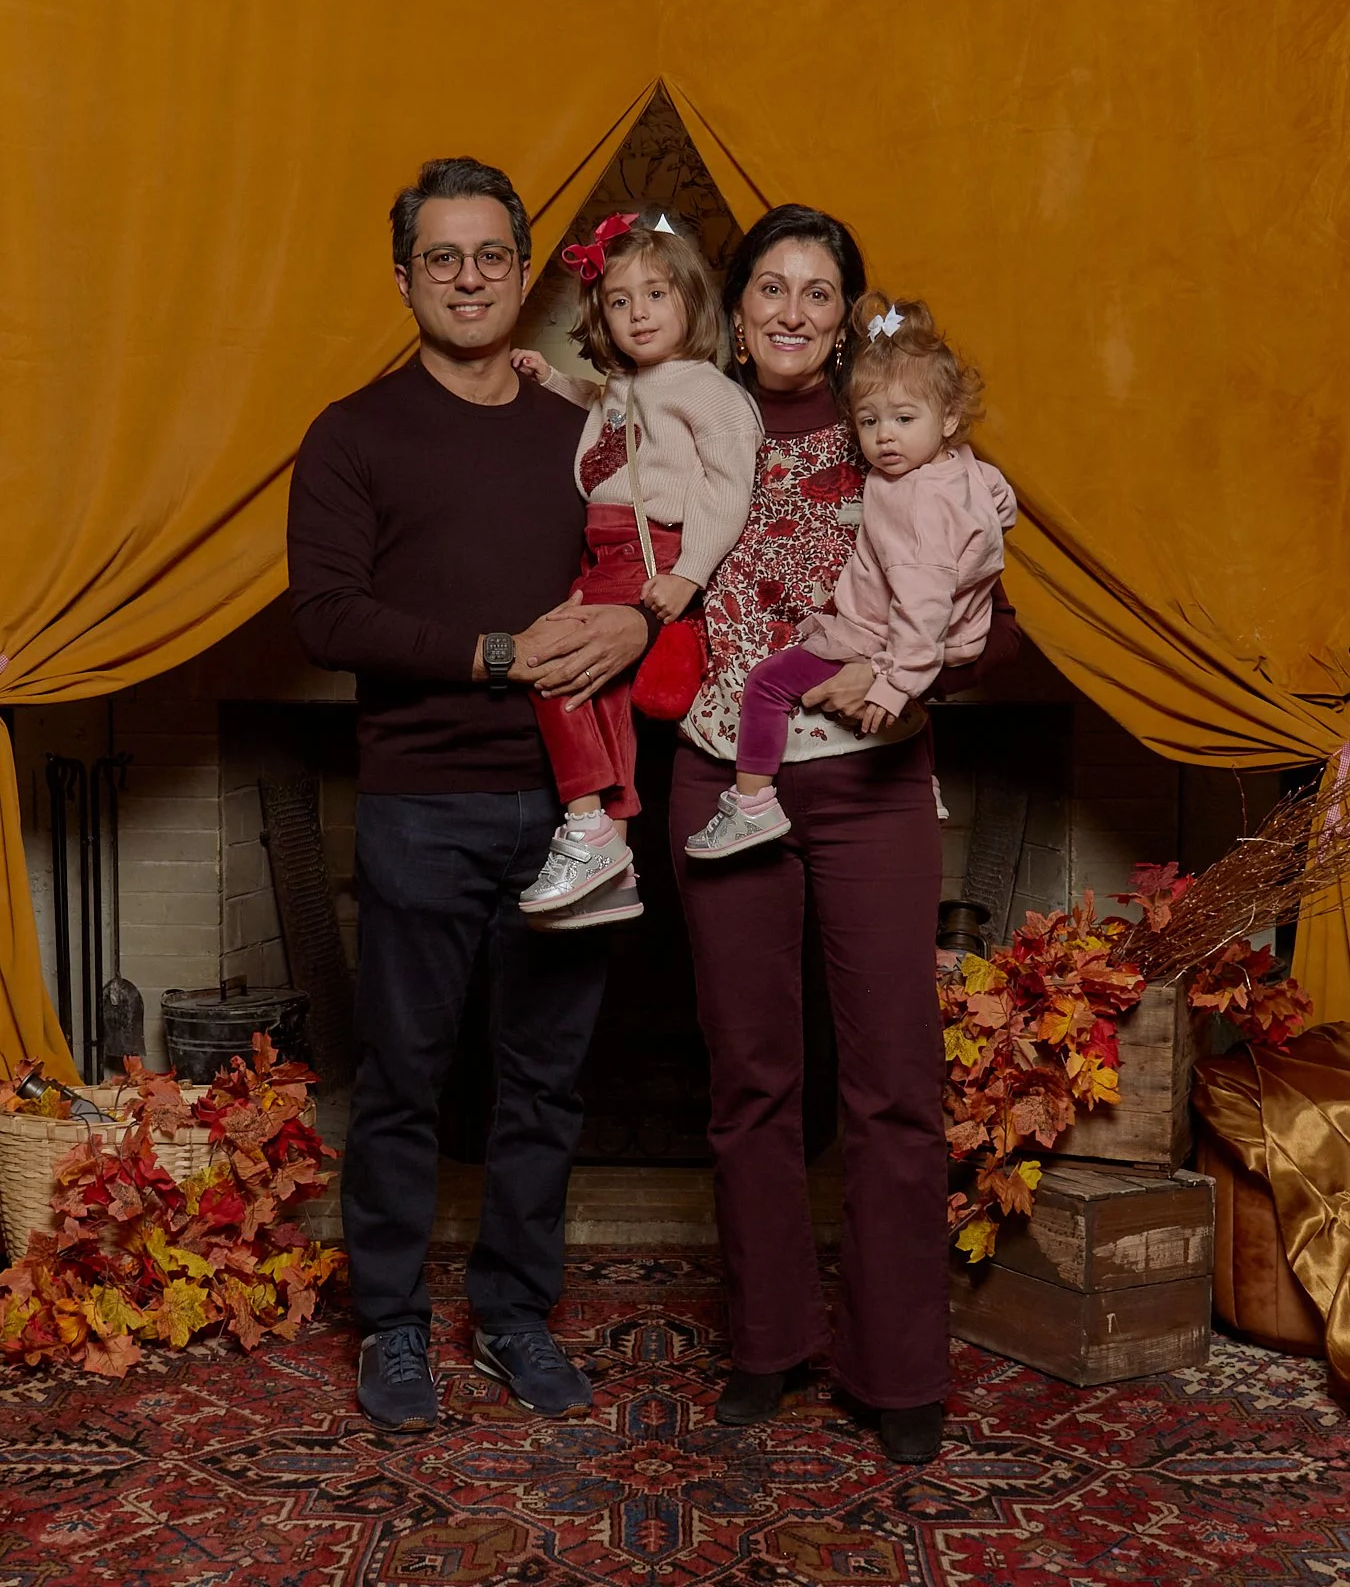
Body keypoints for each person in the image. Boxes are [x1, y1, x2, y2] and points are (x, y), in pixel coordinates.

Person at [287, 156, 657, 1432]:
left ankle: (511, 1314)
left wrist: (631, 627)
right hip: (421, 804)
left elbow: (659, 555)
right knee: (404, 1077)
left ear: (523, 271)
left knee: (545, 1080)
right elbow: (326, 614)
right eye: (440, 257)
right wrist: (496, 653)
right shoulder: (352, 434)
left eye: (490, 254)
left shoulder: (582, 434)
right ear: (403, 280)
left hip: (573, 811)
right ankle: (392, 1323)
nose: (467, 278)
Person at [669, 205, 1021, 1465]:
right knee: (751, 1075)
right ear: (735, 308)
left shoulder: (899, 427)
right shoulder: (688, 417)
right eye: (771, 286)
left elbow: (992, 612)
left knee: (894, 1079)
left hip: (872, 778)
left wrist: (918, 672)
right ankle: (769, 1342)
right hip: (726, 772)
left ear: (848, 319)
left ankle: (899, 1363)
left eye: (819, 291)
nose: (793, 310)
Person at [685, 292, 1016, 859]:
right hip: (943, 634)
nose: (885, 436)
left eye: (903, 419)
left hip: (883, 640)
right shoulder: (958, 469)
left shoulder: (913, 506)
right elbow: (998, 504)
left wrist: (893, 682)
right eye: (869, 421)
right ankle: (926, 782)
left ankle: (752, 804)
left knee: (767, 683)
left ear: (949, 419)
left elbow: (922, 607)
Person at [510, 210, 759, 926]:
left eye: (655, 294)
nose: (638, 313)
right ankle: (614, 859)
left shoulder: (706, 389)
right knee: (600, 693)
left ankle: (587, 820)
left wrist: (691, 574)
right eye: (619, 301)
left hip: (653, 552)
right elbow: (608, 412)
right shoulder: (626, 383)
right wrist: (553, 380)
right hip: (604, 554)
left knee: (552, 662)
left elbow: (727, 486)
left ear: (690, 300)